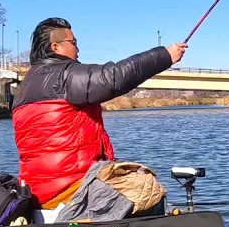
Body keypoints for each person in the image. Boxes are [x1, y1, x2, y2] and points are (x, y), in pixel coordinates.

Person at [12, 17, 186, 207]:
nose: (77, 49)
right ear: (55, 47)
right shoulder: (65, 75)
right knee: (148, 188)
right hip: (71, 188)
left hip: (35, 191)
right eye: (73, 43)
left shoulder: (24, 87)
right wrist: (165, 56)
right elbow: (114, 77)